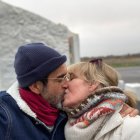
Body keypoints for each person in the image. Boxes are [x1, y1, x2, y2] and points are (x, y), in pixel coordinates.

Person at [0, 43, 138, 140]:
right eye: (61, 78)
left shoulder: (65, 113)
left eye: (69, 77)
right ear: (36, 86)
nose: (66, 84)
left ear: (93, 84)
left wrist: (117, 106)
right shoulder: (4, 117)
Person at [63, 59, 140, 140]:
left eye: (70, 78)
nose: (64, 84)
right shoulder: (60, 120)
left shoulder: (133, 126)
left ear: (93, 84)